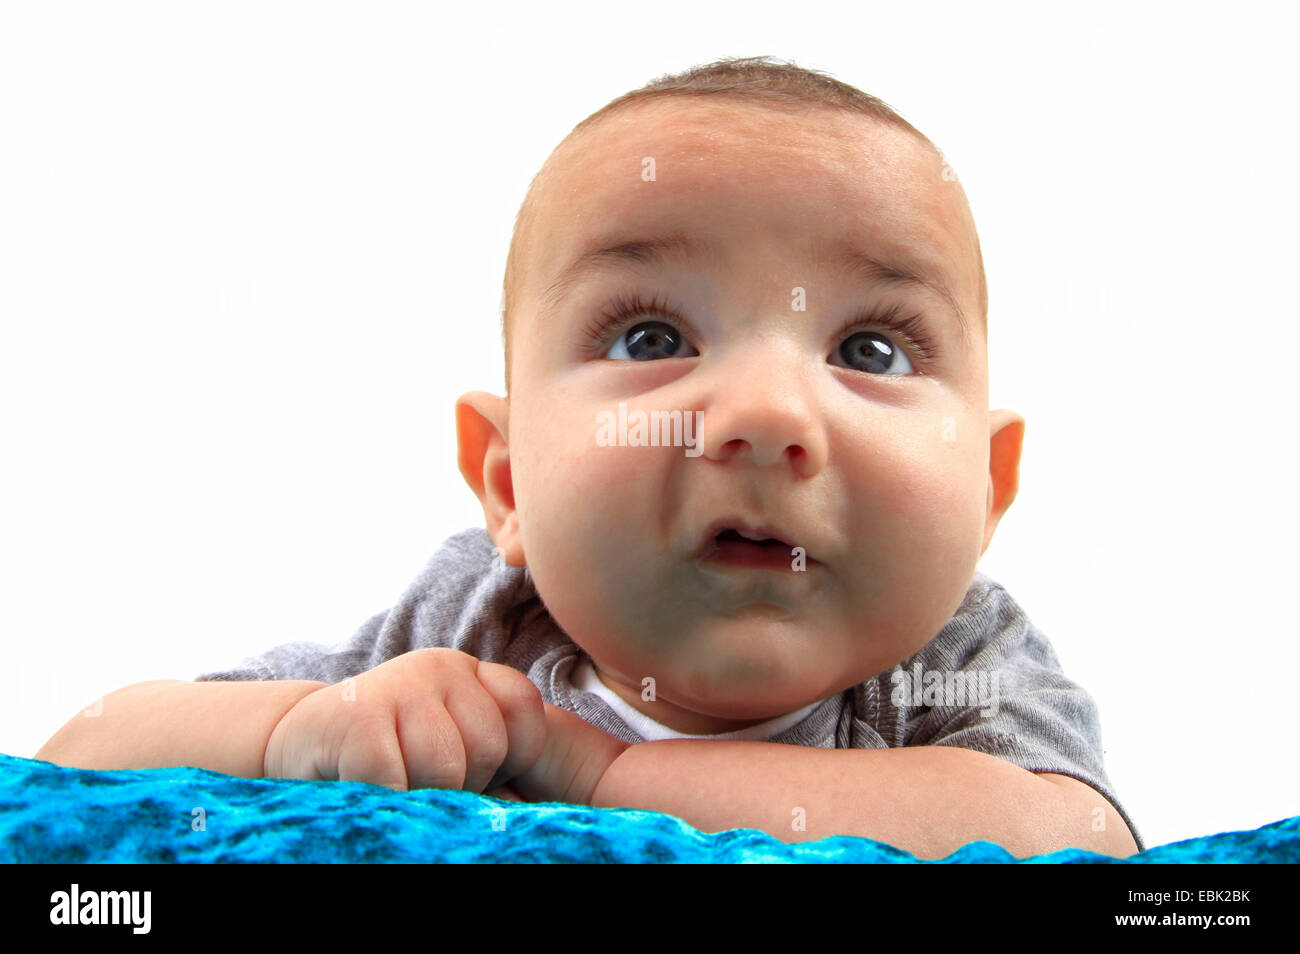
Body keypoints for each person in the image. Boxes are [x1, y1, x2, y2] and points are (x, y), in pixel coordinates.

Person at [36, 56, 1142, 860]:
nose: (759, 417)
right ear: (508, 483)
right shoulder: (475, 622)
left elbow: (1079, 835)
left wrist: (616, 779)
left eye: (869, 349)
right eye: (652, 340)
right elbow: (80, 753)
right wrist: (303, 732)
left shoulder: (955, 661)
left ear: (986, 491)